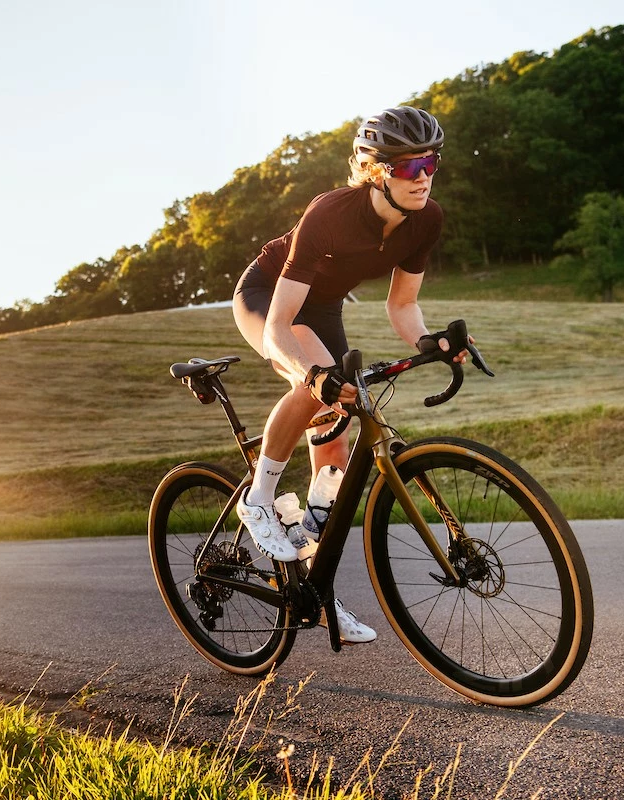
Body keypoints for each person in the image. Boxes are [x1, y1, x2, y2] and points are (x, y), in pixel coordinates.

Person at [231, 106, 470, 644]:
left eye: (431, 163)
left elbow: (402, 306)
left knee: (340, 433)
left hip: (324, 306)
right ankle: (259, 499)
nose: (424, 177)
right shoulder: (331, 213)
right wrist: (310, 374)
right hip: (269, 297)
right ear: (376, 170)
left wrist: (430, 342)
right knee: (317, 387)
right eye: (409, 167)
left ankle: (315, 586)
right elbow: (280, 326)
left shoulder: (427, 218)